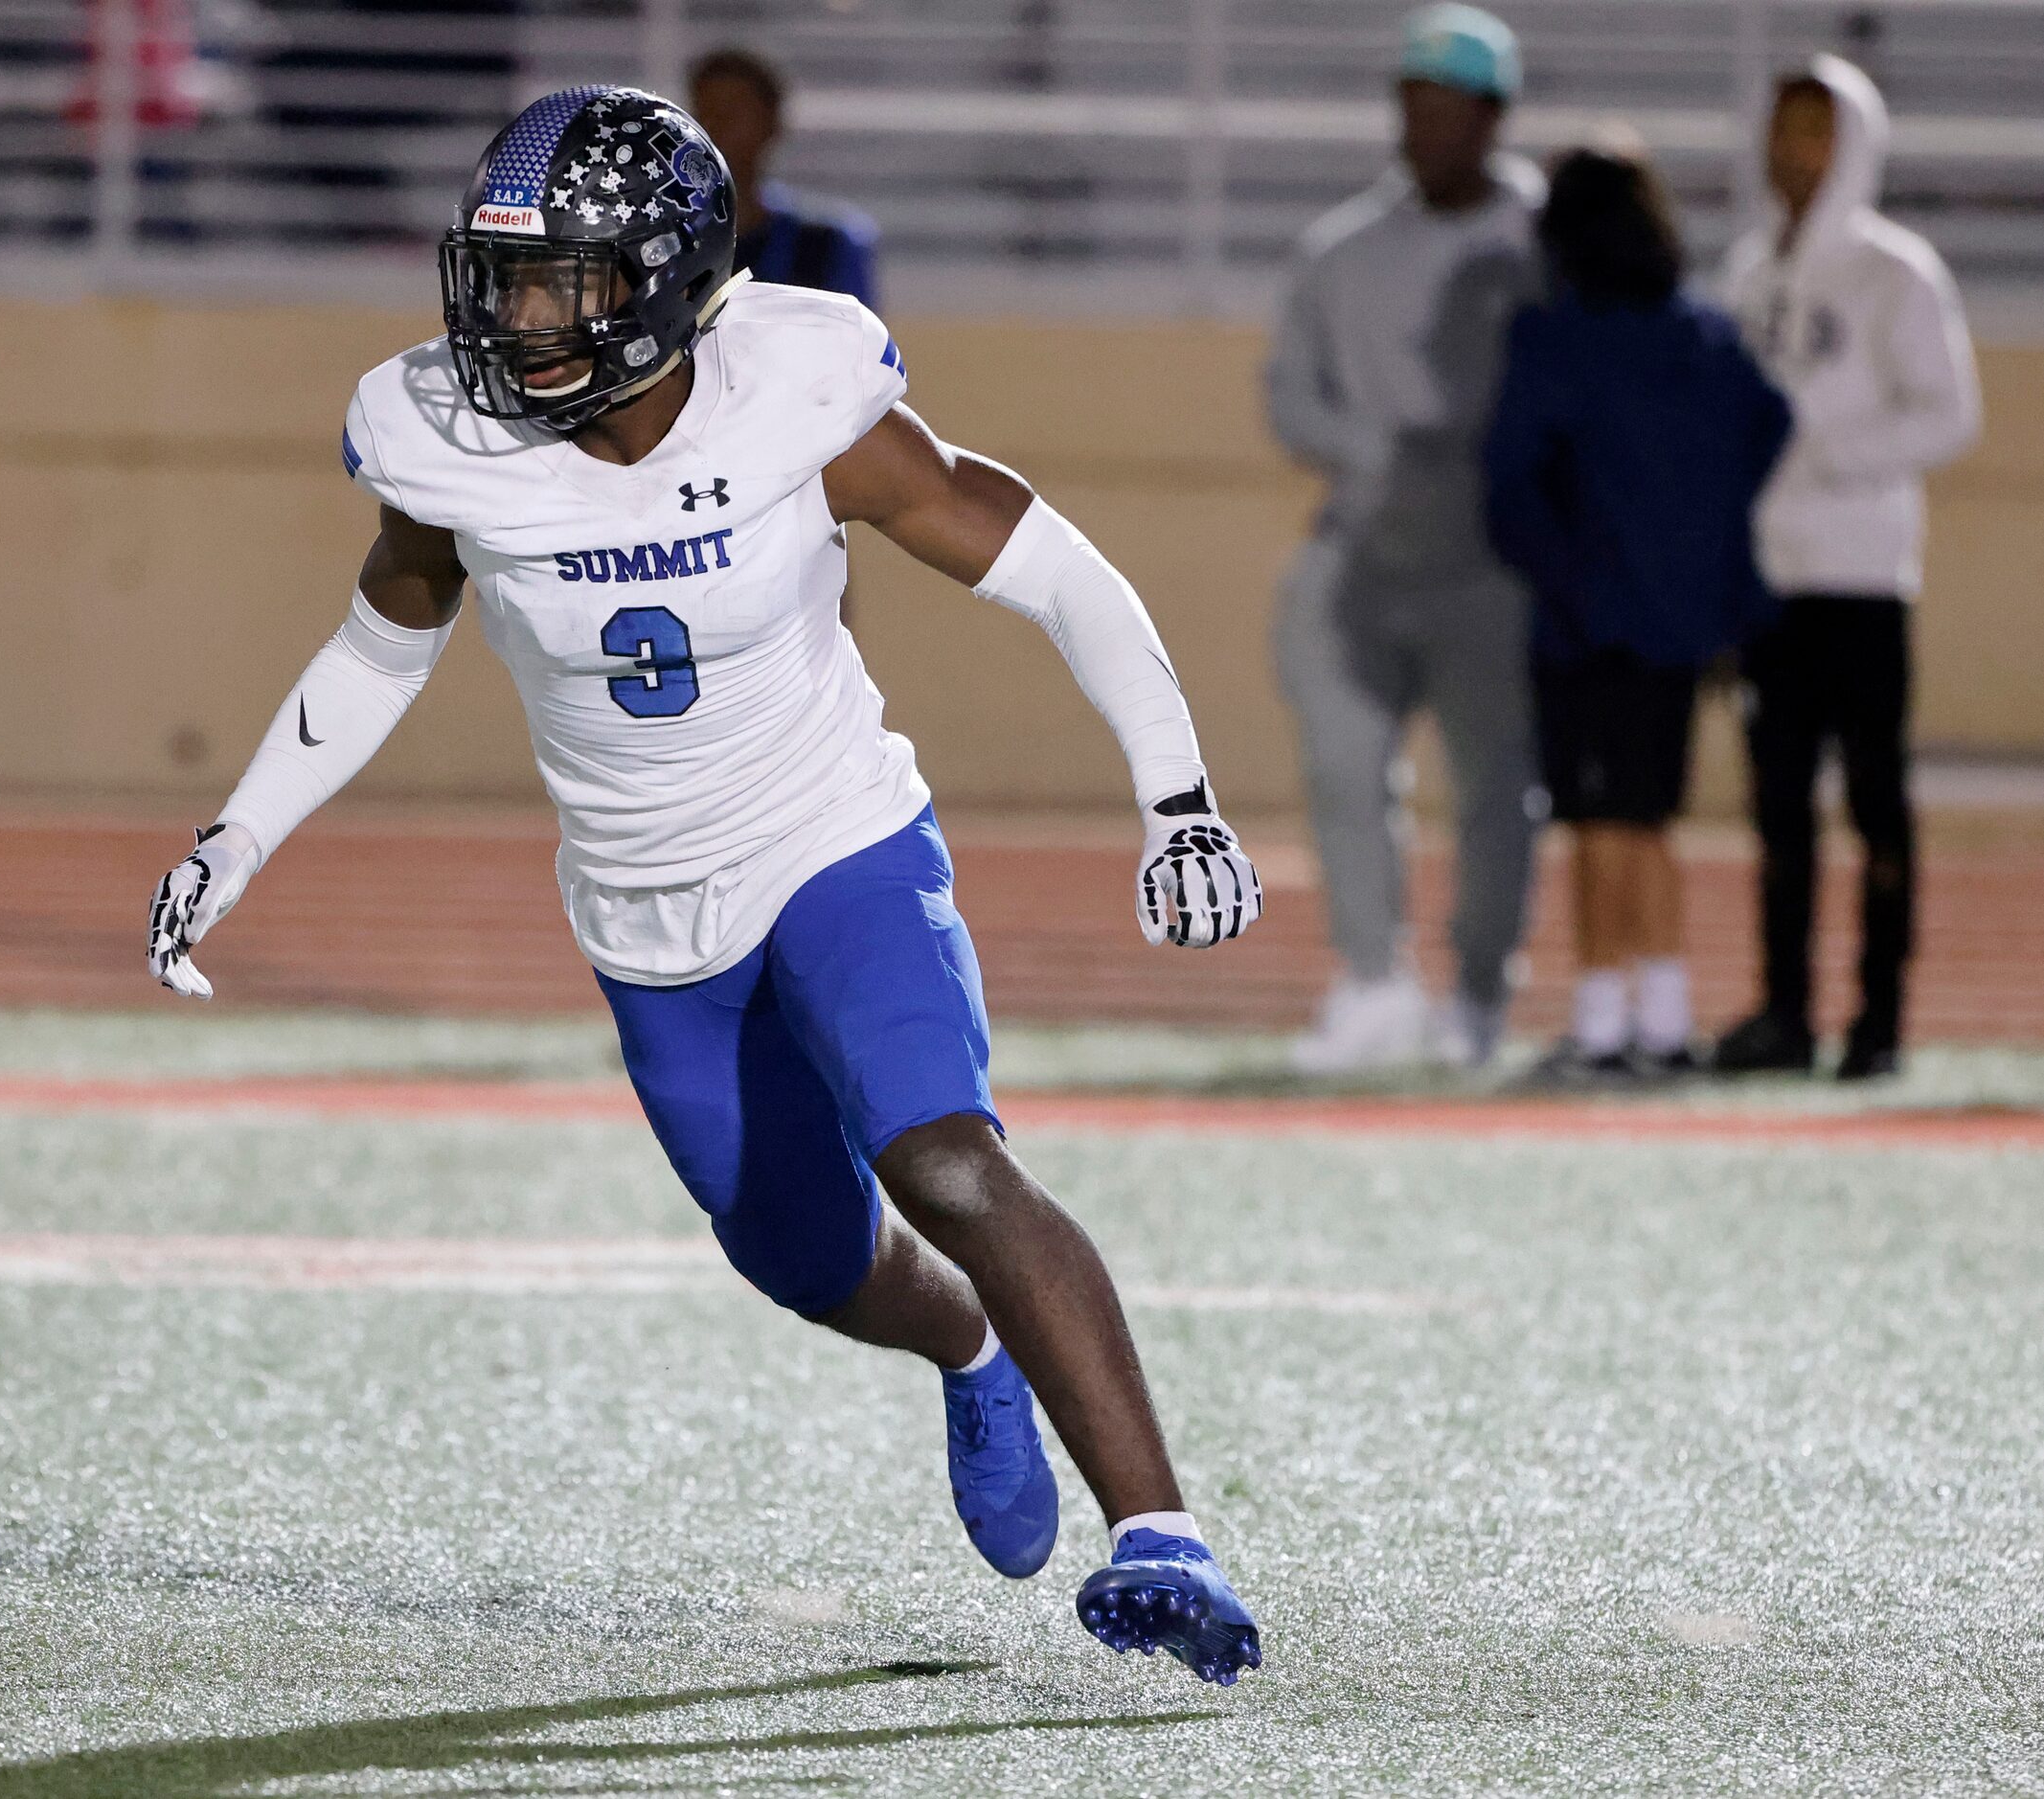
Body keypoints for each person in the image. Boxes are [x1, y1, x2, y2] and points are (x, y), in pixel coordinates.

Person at [147, 86, 1266, 1680]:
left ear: (667, 280)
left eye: (562, 283)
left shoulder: (797, 402)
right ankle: (964, 1339)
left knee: (945, 1157)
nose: (517, 320)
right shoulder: (448, 444)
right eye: (502, 278)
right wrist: (235, 835)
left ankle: (1161, 1536)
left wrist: (1178, 801)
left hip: (833, 838)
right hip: (644, 907)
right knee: (803, 1259)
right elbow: (383, 638)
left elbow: (1059, 572)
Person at [1264, 4, 1542, 1074]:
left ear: (1493, 115)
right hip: (1362, 560)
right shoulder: (1340, 251)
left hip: (1496, 565)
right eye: (1410, 106)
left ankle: (1478, 994)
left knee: (1497, 789)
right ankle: (1373, 981)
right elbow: (1292, 400)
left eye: (1447, 108)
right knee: (1343, 767)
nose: (1423, 128)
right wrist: (1381, 449)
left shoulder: (1546, 241)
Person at [1484, 145, 1793, 1079]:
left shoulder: (1554, 337)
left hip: (1584, 618)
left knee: (1596, 820)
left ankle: (1603, 1019)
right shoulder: (1703, 335)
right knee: (1652, 816)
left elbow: (1510, 480)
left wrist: (1563, 566)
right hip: (1677, 621)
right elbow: (1770, 424)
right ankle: (1663, 1017)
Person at [1714, 57, 1981, 1082]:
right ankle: (1785, 1009)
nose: (1795, 153)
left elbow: (1951, 413)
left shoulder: (1896, 271)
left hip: (1864, 578)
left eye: (1818, 132)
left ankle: (1880, 1020)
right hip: (1766, 578)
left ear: (1857, 142)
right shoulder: (1748, 273)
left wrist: (1828, 453)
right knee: (1778, 807)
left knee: (1875, 804)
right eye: (1783, 129)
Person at [687, 46, 880, 310]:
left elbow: (857, 338)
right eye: (705, 111)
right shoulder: (670, 241)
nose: (718, 126)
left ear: (772, 122)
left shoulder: (828, 244)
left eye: (734, 111)